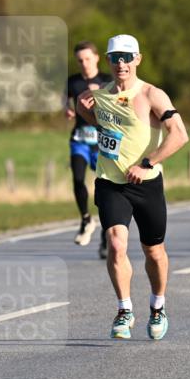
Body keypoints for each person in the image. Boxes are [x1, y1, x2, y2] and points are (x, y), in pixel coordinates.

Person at [76, 34, 189, 340]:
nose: (121, 63)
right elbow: (90, 115)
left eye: (127, 57)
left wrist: (148, 163)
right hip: (110, 182)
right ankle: (124, 310)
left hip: (147, 183)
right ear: (109, 61)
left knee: (154, 251)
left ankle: (158, 306)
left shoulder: (153, 94)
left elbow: (179, 135)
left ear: (138, 59)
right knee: (116, 244)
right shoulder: (101, 96)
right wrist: (83, 107)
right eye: (115, 58)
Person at [65, 41, 114, 254]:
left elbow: (118, 107)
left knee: (105, 188)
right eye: (79, 60)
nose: (84, 63)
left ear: (96, 58)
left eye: (87, 59)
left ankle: (106, 235)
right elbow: (66, 102)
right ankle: (86, 219)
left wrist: (101, 94)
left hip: (102, 141)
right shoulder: (73, 82)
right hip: (79, 139)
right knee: (77, 179)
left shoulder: (107, 80)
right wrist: (67, 111)